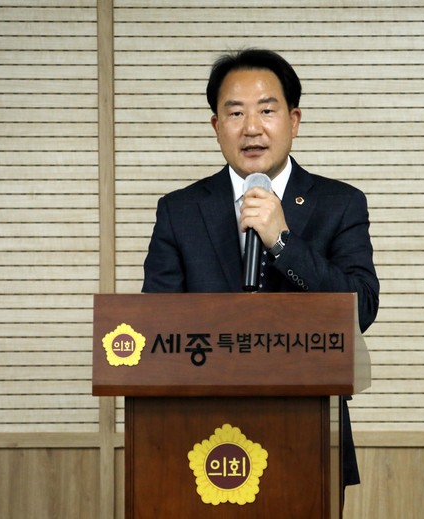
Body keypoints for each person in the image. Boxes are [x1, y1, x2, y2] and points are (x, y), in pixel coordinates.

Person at [142, 48, 380, 490]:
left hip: (310, 432)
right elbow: (156, 329)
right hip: (203, 439)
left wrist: (282, 241)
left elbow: (360, 309)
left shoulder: (341, 204)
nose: (251, 127)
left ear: (294, 120)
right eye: (235, 113)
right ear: (217, 126)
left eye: (267, 110)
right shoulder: (179, 211)